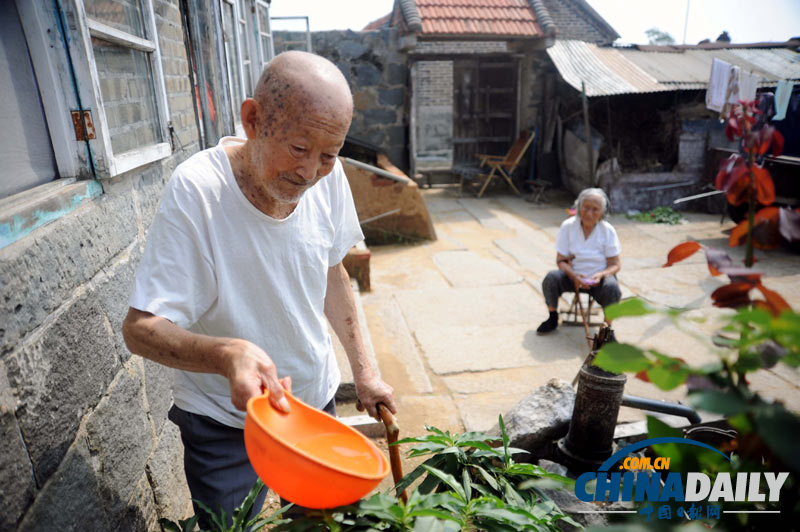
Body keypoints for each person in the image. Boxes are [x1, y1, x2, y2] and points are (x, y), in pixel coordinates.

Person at [122, 51, 396, 524]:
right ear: (253, 119)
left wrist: (366, 371)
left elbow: (333, 271)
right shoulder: (198, 191)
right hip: (224, 424)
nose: (310, 173)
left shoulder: (328, 180)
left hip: (313, 404)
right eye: (297, 148)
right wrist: (228, 355)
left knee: (323, 524)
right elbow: (140, 329)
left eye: (328, 156)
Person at [536, 188, 621, 334]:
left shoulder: (608, 230)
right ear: (579, 207)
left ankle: (607, 330)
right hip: (572, 276)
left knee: (613, 288)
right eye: (586, 207)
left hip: (597, 280)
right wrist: (573, 275)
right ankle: (552, 317)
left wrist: (600, 275)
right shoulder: (568, 227)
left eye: (595, 209)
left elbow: (615, 264)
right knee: (551, 278)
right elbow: (561, 260)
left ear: (602, 212)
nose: (589, 213)